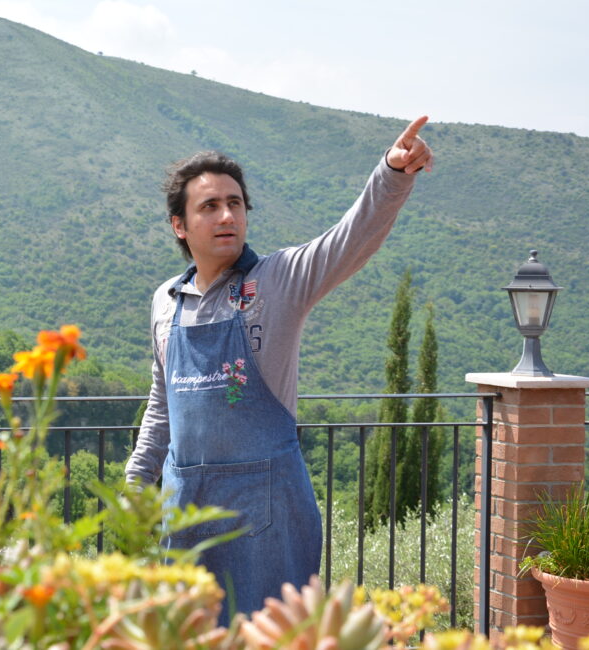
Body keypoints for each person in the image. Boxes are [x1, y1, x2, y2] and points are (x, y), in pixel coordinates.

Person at [125, 117, 434, 623]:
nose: (227, 215)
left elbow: (350, 239)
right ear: (180, 226)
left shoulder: (277, 280)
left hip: (268, 515)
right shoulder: (165, 300)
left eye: (236, 204)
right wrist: (136, 484)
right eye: (209, 206)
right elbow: (162, 405)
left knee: (273, 636)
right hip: (185, 509)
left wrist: (392, 173)